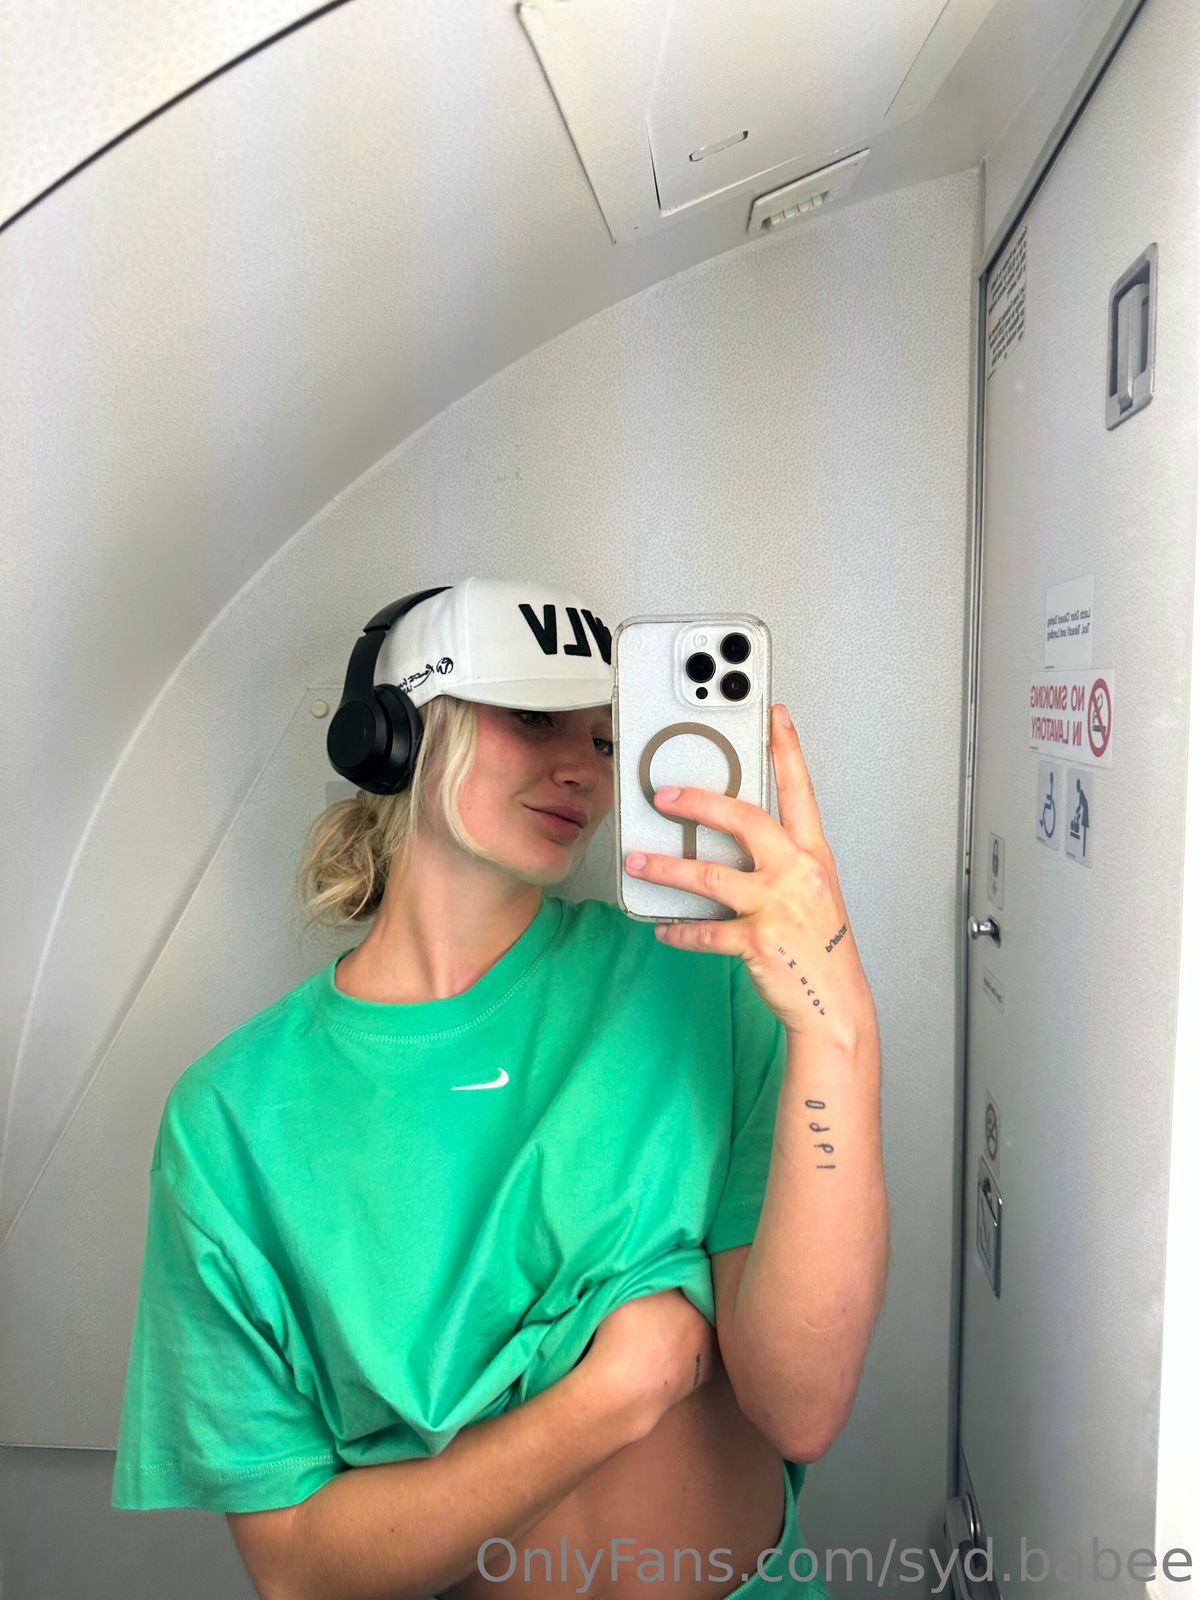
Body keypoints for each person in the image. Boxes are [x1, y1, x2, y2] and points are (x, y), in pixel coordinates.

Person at [112, 576, 885, 1600]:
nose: (584, 768)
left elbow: (803, 1406)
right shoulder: (231, 1121)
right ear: (390, 737)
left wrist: (836, 1029)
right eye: (532, 717)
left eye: (604, 738)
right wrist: (610, 1397)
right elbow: (297, 1569)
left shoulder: (700, 984)